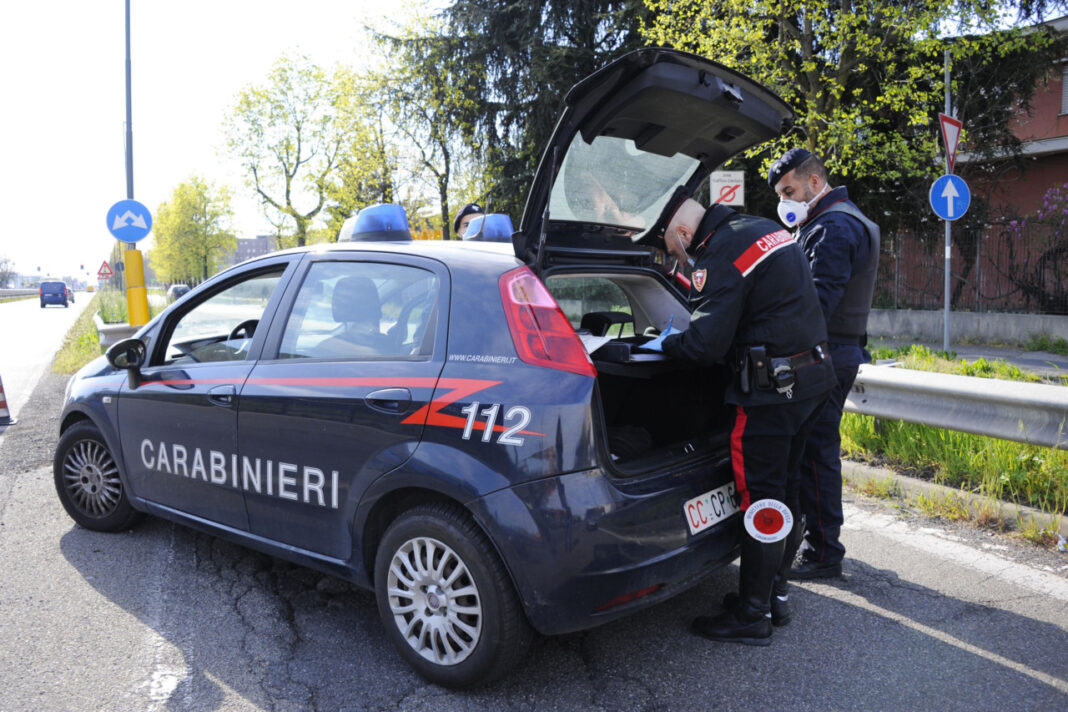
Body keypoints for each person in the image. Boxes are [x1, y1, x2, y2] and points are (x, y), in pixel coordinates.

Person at [645, 192, 835, 645]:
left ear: (685, 234)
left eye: (675, 251)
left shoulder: (720, 251)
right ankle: (773, 597)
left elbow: (704, 345)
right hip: (811, 381)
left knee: (763, 500)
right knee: (787, 490)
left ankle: (752, 615)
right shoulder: (759, 228)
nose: (680, 260)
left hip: (771, 395)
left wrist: (660, 343)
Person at [767, 148, 880, 580]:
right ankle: (819, 543)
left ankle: (823, 553)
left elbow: (817, 304)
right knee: (817, 449)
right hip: (839, 349)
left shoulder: (832, 227)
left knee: (815, 452)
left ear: (815, 182)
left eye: (789, 190)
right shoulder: (845, 218)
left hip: (826, 353)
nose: (785, 201)